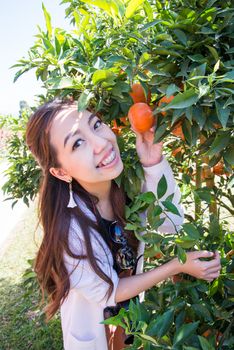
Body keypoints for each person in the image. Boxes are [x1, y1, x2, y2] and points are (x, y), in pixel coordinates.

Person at [26, 99, 221, 350]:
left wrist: (152, 163)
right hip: (95, 331)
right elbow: (110, 292)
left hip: (127, 322)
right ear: (61, 172)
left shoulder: (125, 186)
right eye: (77, 143)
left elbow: (169, 225)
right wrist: (177, 265)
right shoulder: (70, 230)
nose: (101, 143)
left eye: (96, 125)